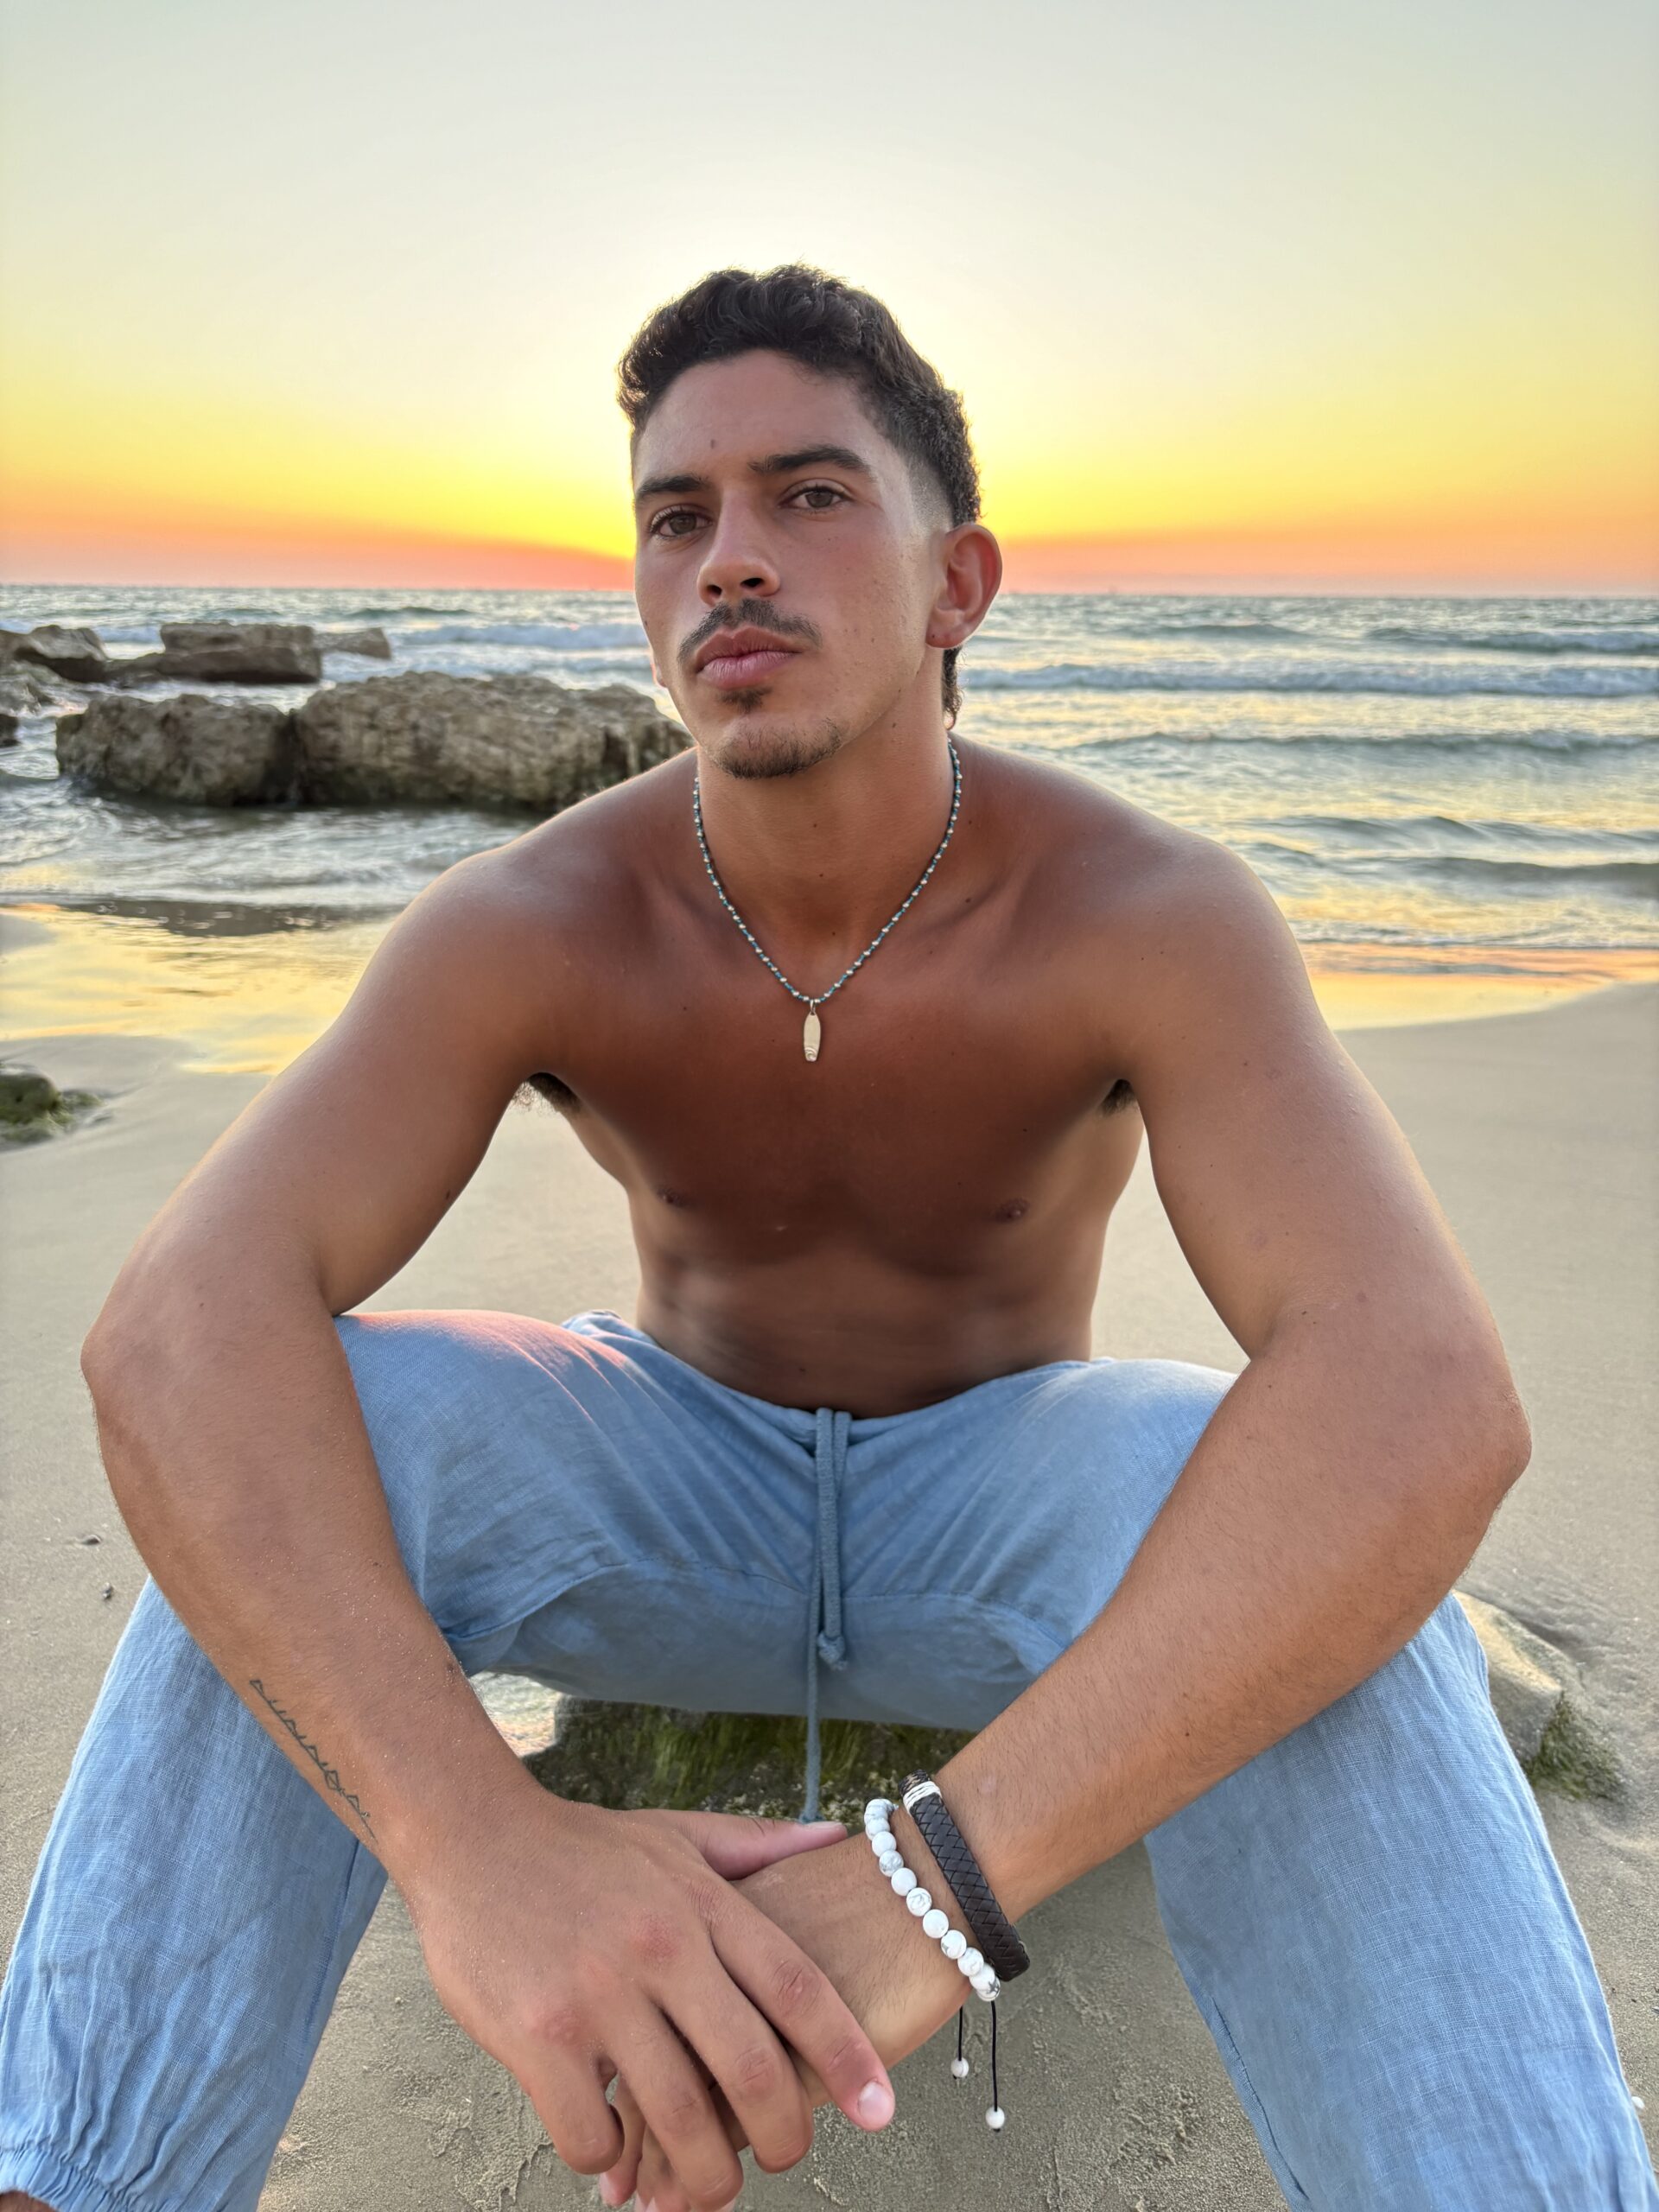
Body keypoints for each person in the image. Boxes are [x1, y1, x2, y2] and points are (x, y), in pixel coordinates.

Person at [1, 264, 1653, 2212]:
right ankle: (72, 2183)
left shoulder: (1143, 912)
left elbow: (1427, 1391)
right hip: (662, 1479)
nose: (729, 558)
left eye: (809, 494)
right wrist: (472, 1843)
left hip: (1006, 1493)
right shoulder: (535, 919)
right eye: (676, 515)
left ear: (960, 583)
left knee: (1301, 1496)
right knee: (308, 1419)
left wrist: (934, 1882)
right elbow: (173, 1329)